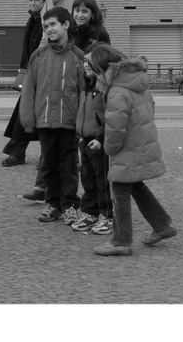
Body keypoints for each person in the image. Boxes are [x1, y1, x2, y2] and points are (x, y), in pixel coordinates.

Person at [87, 44, 177, 256]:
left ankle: (121, 241)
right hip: (140, 143)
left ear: (102, 68)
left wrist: (109, 148)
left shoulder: (117, 90)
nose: (88, 70)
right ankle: (162, 225)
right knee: (135, 185)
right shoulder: (136, 82)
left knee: (119, 190)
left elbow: (115, 127)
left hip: (126, 148)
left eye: (92, 66)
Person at [21, 0, 86, 200]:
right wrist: (37, 60)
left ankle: (78, 198)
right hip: (52, 64)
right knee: (49, 138)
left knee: (71, 149)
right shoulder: (49, 1)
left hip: (72, 65)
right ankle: (45, 189)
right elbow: (44, 35)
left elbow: (90, 26)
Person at [19, 6, 84, 225]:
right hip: (45, 120)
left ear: (66, 25)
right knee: (48, 165)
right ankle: (53, 203)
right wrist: (27, 119)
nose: (48, 29)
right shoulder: (38, 56)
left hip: (69, 121)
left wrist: (83, 122)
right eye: (46, 26)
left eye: (53, 24)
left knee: (69, 165)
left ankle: (70, 205)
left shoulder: (77, 56)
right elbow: (29, 89)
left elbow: (83, 91)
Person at [1, 0, 49, 168]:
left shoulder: (46, 20)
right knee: (25, 113)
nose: (33, 2)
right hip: (31, 75)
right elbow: (27, 51)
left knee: (34, 115)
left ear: (45, 1)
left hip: (42, 75)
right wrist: (22, 72)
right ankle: (18, 150)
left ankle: (20, 151)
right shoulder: (32, 20)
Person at [71, 45, 113, 235]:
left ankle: (107, 214)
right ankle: (90, 212)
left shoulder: (105, 88)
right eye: (85, 61)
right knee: (87, 179)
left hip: (98, 142)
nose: (86, 65)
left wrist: (101, 138)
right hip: (84, 139)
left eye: (90, 61)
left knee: (101, 180)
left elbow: (109, 117)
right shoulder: (86, 85)